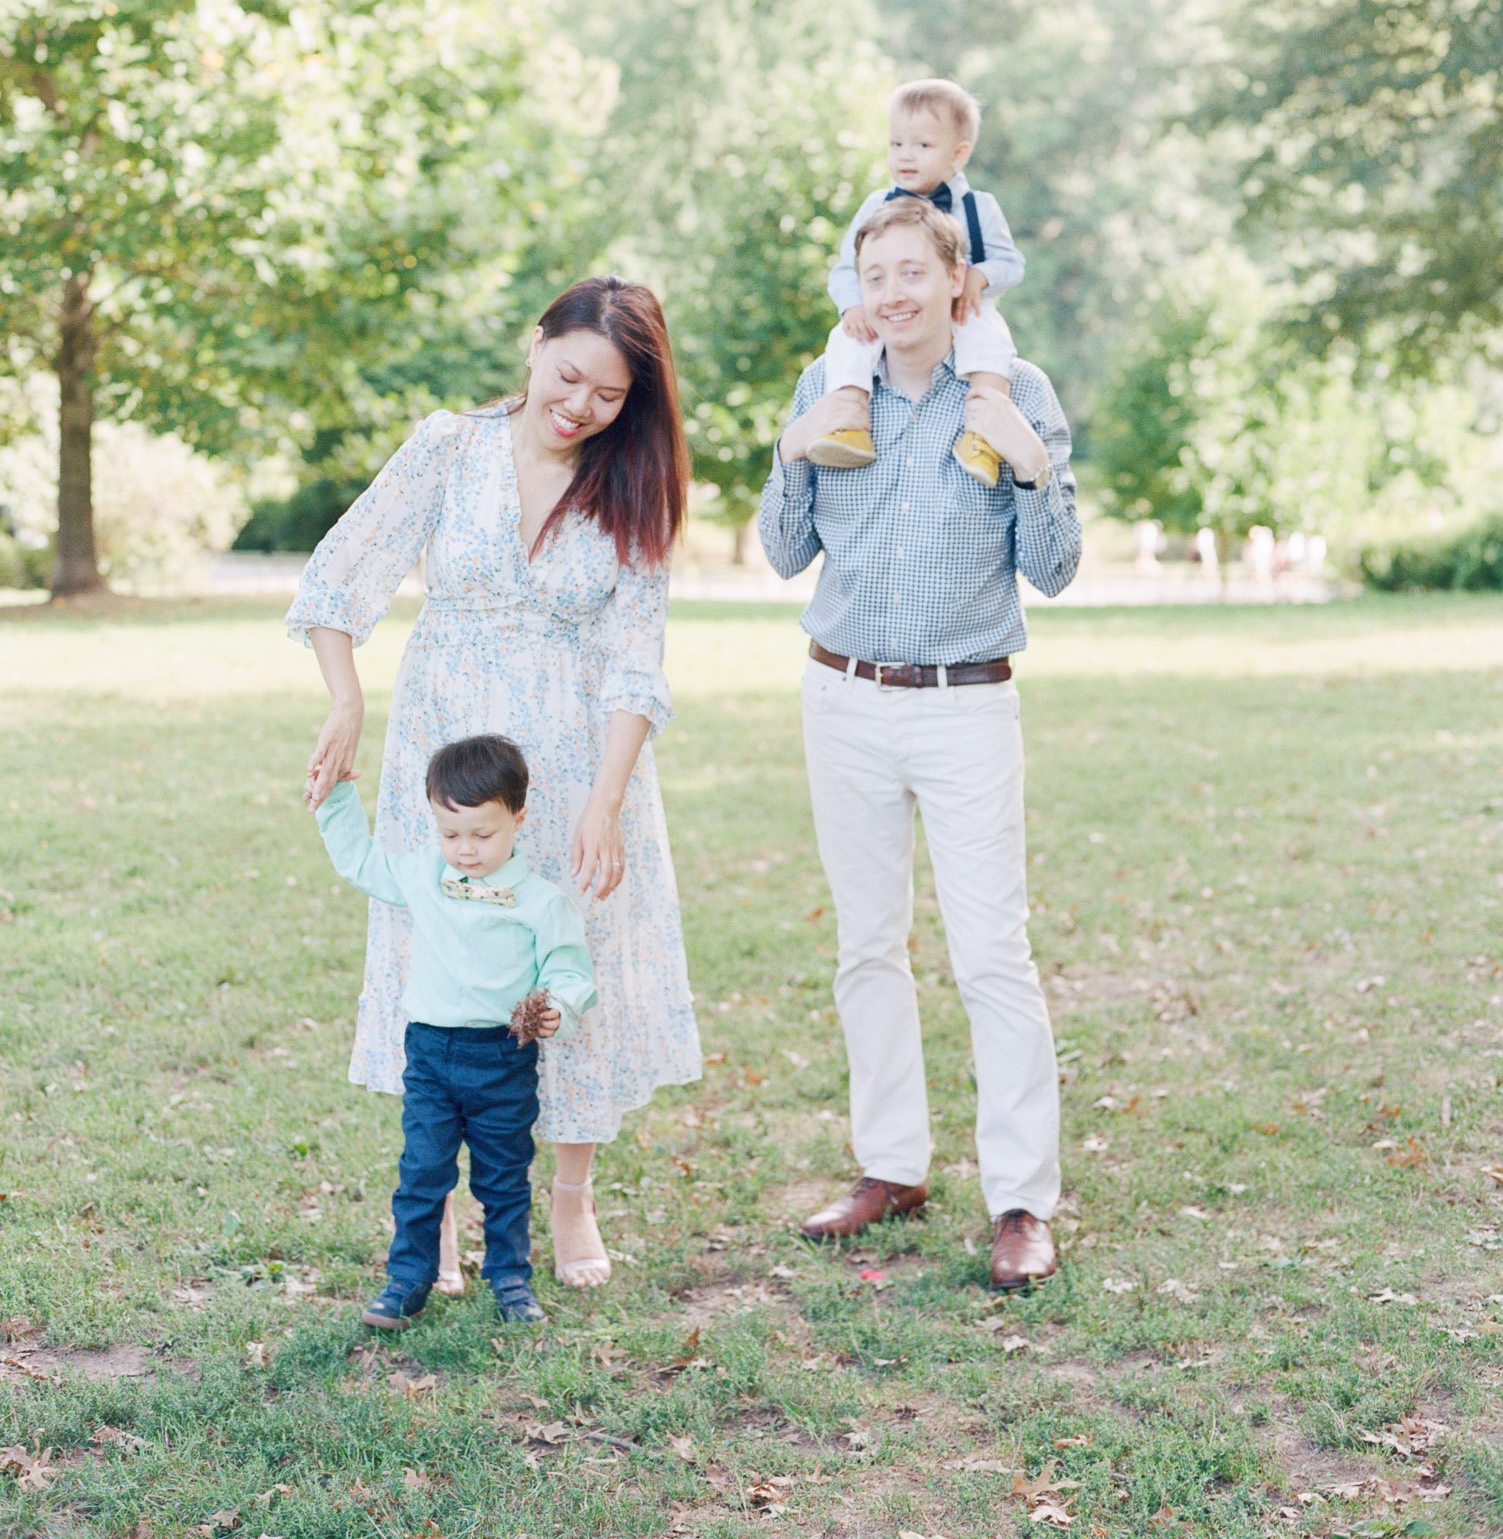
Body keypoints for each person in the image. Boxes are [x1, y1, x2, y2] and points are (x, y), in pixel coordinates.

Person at [289, 276, 702, 1293]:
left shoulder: (633, 480)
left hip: (573, 766)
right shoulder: (448, 443)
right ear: (536, 343)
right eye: (569, 375)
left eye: (610, 394)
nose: (581, 406)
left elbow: (636, 659)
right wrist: (345, 699)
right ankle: (430, 1215)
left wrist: (606, 800)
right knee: (441, 960)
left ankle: (569, 1196)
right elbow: (342, 574)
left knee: (563, 961)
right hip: (448, 750)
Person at [758, 196, 1082, 1291]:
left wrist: (1031, 461)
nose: (891, 292)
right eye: (873, 274)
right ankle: (891, 1166)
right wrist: (790, 450)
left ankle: (1022, 1198)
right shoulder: (828, 385)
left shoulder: (1012, 390)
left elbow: (1055, 567)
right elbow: (781, 550)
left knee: (992, 951)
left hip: (965, 701)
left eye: (912, 271)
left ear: (956, 281)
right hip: (842, 695)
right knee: (867, 944)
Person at [314, 734, 597, 1328]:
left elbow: (570, 971)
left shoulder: (542, 903)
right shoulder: (422, 875)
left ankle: (510, 1278)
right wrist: (336, 797)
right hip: (431, 1053)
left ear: (518, 818)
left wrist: (560, 1008)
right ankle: (408, 1279)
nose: (465, 851)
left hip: (502, 1056)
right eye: (450, 834)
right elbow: (361, 862)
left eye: (482, 834)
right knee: (422, 1171)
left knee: (503, 1174)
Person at [808, 78, 1024, 490]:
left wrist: (981, 276)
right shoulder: (876, 204)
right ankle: (850, 419)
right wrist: (852, 305)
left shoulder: (979, 208)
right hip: (894, 315)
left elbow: (1011, 263)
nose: (905, 156)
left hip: (965, 310)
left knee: (993, 346)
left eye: (922, 146)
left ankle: (982, 435)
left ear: (958, 154)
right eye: (896, 144)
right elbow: (844, 268)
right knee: (846, 341)